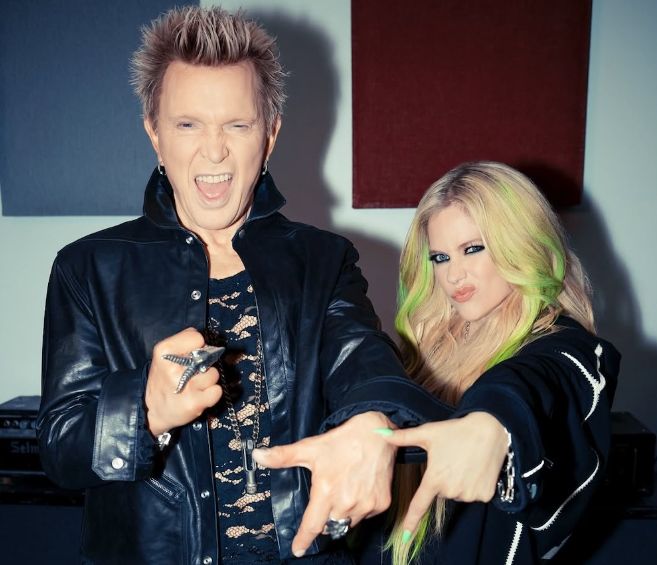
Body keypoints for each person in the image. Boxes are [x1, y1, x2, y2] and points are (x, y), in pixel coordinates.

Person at [36, 6, 436, 565]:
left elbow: (366, 366)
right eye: (188, 124)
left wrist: (372, 423)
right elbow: (60, 448)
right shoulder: (88, 268)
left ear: (269, 136)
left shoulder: (323, 260)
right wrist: (145, 408)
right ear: (154, 133)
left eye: (237, 125)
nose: (214, 150)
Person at [365, 161, 621, 565]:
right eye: (440, 257)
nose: (454, 274)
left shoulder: (565, 346)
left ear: (520, 243)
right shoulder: (429, 351)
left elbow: (538, 379)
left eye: (473, 249)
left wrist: (497, 421)